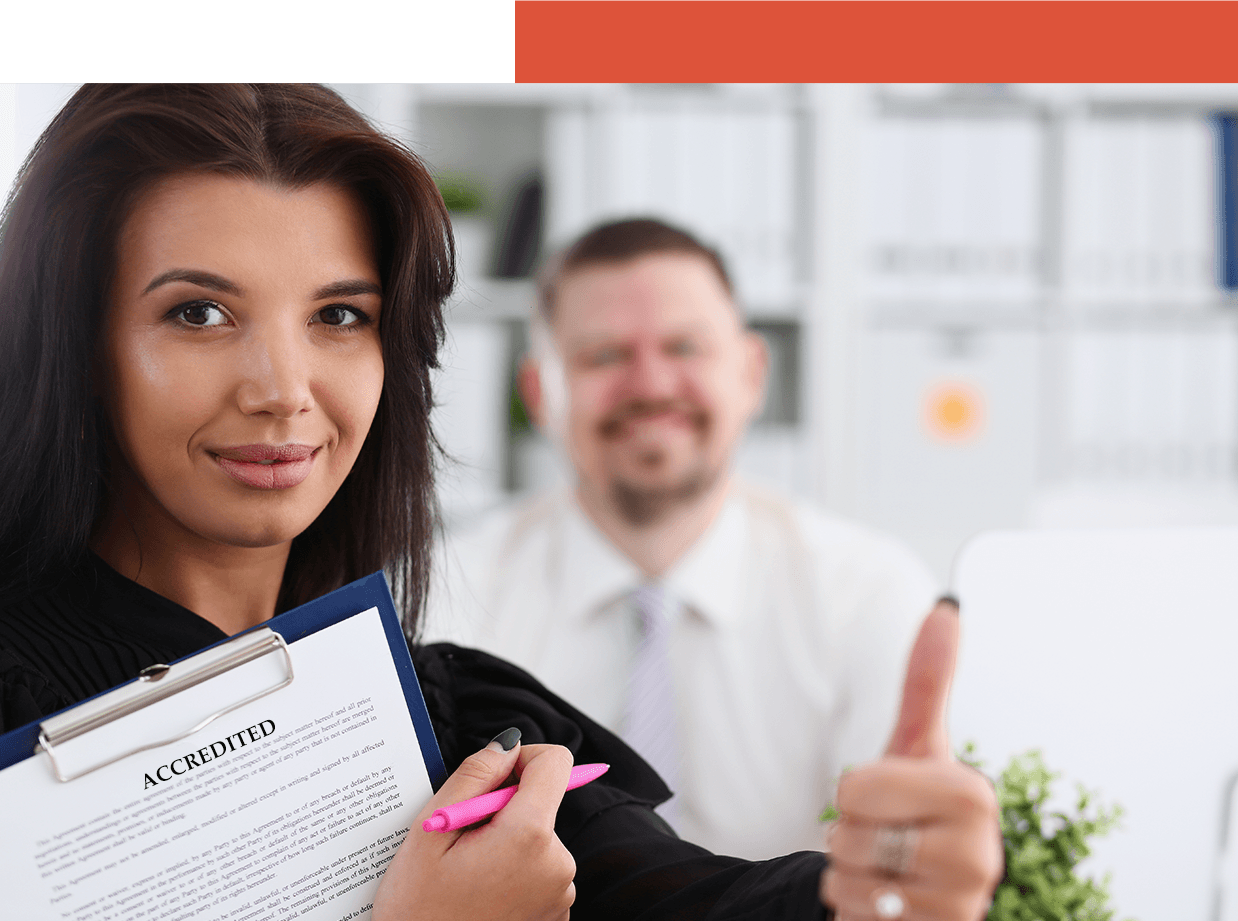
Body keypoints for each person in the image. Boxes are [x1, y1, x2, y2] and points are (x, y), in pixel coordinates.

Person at [0, 84, 1001, 921]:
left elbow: (691, 901)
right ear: (70, 343)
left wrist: (875, 894)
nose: (283, 389)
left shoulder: (452, 720)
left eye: (339, 315)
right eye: (199, 312)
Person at [425, 217, 940, 858]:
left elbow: (890, 859)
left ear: (751, 373)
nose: (651, 385)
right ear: (539, 393)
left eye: (685, 348)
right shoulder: (448, 593)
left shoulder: (868, 593)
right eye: (604, 355)